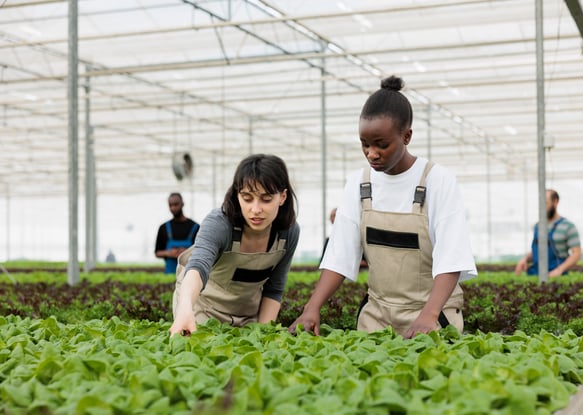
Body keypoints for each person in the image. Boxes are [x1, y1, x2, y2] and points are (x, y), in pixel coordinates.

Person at [288, 75, 477, 339]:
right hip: (376, 317)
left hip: (434, 316)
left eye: (382, 145)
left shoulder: (437, 180)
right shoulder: (359, 183)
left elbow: (451, 257)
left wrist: (430, 315)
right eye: (365, 144)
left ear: (407, 136)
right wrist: (312, 308)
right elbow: (340, 254)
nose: (371, 153)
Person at [170, 154, 300, 336]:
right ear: (237, 195)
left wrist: (262, 333)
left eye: (266, 199)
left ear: (282, 197)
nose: (256, 209)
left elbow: (274, 289)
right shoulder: (220, 224)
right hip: (203, 309)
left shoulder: (288, 233)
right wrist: (185, 310)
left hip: (247, 315)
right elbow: (198, 267)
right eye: (247, 198)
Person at [515, 189, 581, 277]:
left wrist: (559, 270)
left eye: (545, 203)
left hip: (556, 275)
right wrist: (525, 259)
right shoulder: (537, 226)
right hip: (535, 273)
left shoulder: (568, 226)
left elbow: (577, 253)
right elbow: (539, 249)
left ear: (555, 202)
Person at [154, 192, 200, 274]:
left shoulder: (195, 227)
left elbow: (200, 251)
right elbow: (157, 252)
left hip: (189, 273)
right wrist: (169, 253)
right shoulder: (163, 228)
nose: (173, 208)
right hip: (170, 273)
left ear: (182, 204)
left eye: (176, 204)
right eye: (170, 205)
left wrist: (186, 252)